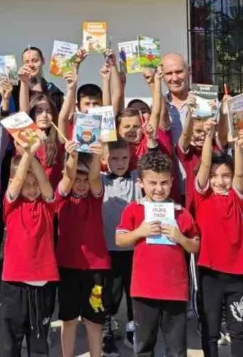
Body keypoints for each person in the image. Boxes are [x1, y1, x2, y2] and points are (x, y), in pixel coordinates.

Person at [116, 151, 200, 357]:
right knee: (144, 346)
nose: (158, 188)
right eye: (152, 183)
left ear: (172, 181)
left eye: (164, 182)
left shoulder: (181, 212)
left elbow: (195, 246)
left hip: (175, 289)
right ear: (141, 183)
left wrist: (180, 238)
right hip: (144, 290)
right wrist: (140, 232)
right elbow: (119, 240)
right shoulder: (133, 210)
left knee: (177, 348)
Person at [193, 118, 243, 357]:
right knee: (211, 330)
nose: (220, 180)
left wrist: (238, 145)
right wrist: (208, 136)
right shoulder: (202, 197)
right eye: (216, 176)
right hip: (209, 275)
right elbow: (204, 166)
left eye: (224, 176)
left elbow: (239, 173)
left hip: (237, 275)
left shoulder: (238, 199)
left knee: (239, 329)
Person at [0, 141, 59, 357]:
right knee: (9, 345)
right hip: (14, 285)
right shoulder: (11, 206)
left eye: (36, 184)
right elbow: (15, 185)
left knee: (39, 344)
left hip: (42, 284)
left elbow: (45, 182)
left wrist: (32, 155)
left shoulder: (47, 205)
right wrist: (26, 154)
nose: (33, 188)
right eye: (27, 184)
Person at [55, 145, 109, 357]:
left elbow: (95, 178)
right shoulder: (60, 199)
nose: (82, 184)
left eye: (85, 180)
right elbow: (67, 179)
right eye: (78, 179)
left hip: (96, 268)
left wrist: (95, 152)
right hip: (68, 267)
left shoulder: (95, 199)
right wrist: (73, 155)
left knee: (94, 321)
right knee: (68, 321)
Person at [100, 140, 139, 357]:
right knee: (110, 295)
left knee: (134, 292)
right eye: (114, 158)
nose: (120, 163)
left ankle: (133, 328)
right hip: (109, 249)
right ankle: (107, 329)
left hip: (134, 249)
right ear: (105, 160)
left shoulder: (136, 178)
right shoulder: (102, 180)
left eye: (124, 158)